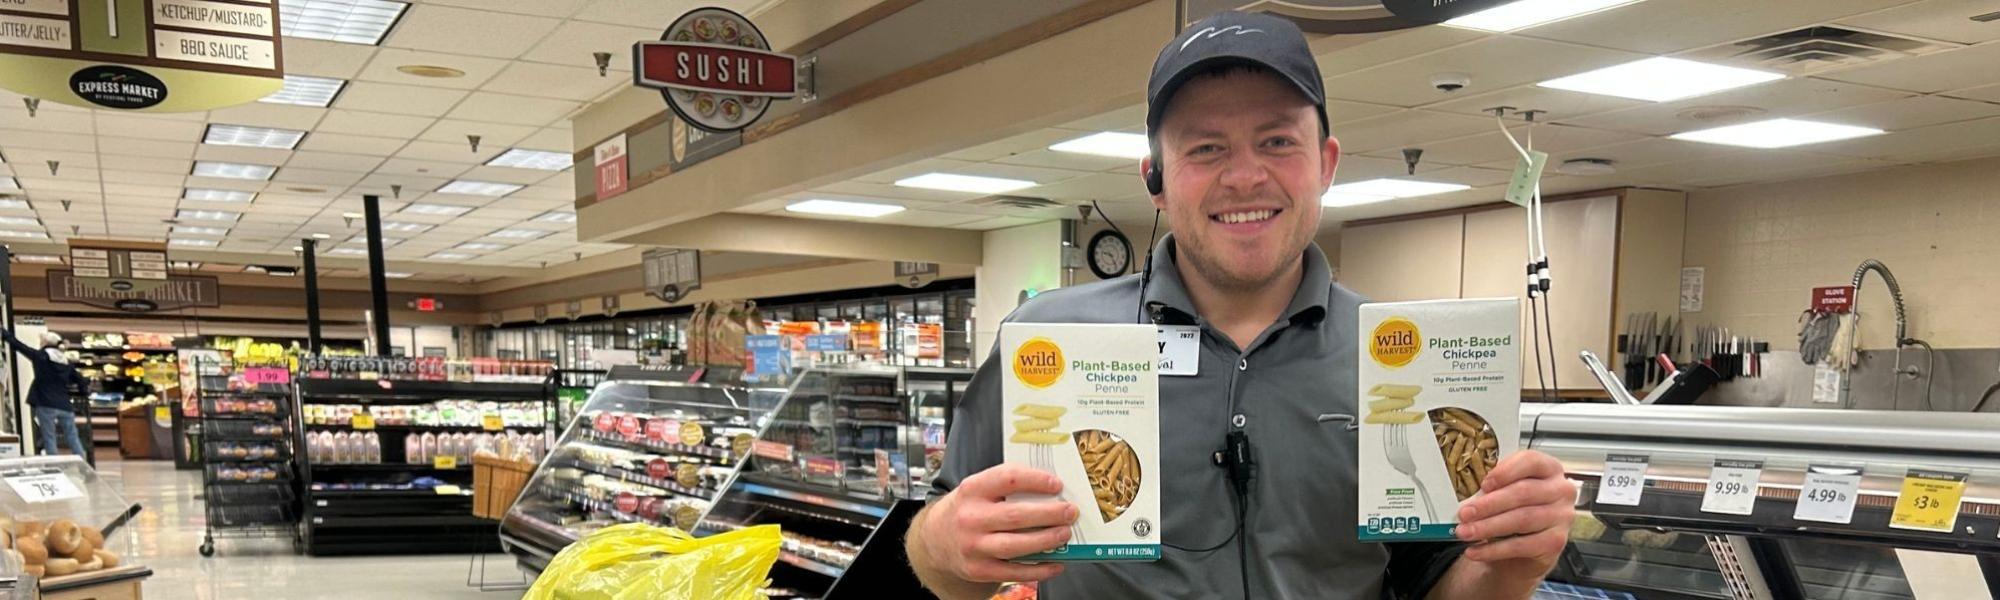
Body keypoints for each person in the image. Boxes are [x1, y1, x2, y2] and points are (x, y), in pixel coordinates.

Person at [906, 11, 1576, 599]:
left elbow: (1440, 587)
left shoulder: (1397, 362)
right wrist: (945, 542)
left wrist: (1517, 562)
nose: (1246, 175)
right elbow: (942, 559)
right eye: (1206, 148)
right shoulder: (1048, 337)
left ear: (1326, 164)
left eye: (1278, 140)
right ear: (1156, 181)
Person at [3, 330, 90, 457]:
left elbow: (19, 346)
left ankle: (53, 465)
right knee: (72, 436)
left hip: (45, 403)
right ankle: (82, 462)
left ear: (45, 342)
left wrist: (5, 334)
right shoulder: (66, 362)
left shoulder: (41, 356)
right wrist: (83, 392)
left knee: (50, 438)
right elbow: (81, 380)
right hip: (65, 405)